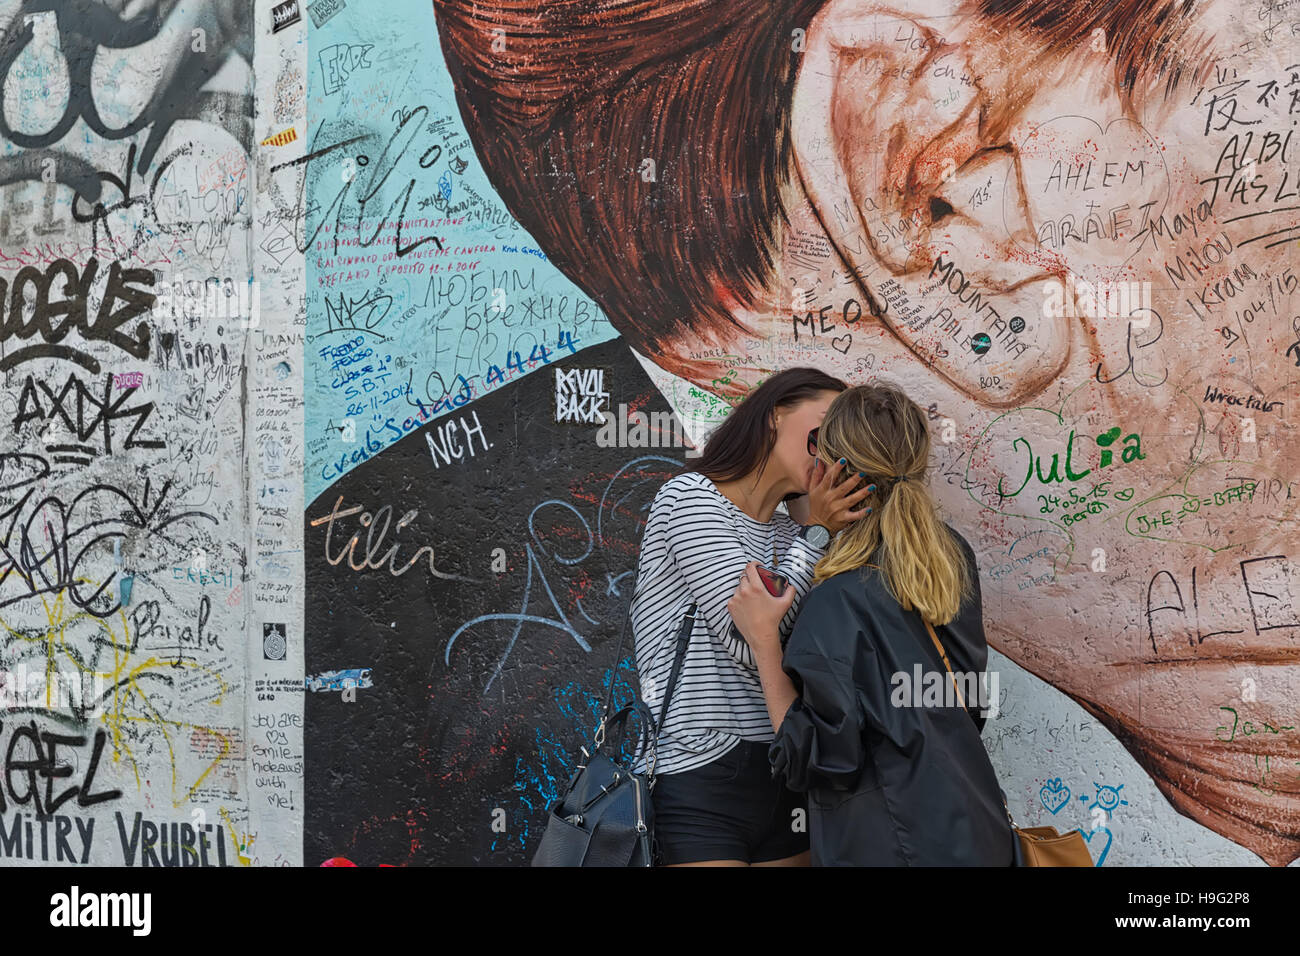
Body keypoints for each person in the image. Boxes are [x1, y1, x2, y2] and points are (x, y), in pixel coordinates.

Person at [432, 0, 1300, 865]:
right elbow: (784, 625)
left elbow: (811, 696)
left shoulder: (847, 574)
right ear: (933, 182)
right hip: (723, 785)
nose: (829, 468)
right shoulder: (748, 523)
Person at [729, 382, 1014, 865]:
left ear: (833, 468)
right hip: (977, 830)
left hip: (888, 845)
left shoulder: (837, 600)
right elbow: (971, 705)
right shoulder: (950, 560)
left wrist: (763, 643)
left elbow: (820, 759)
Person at [627, 366, 873, 866]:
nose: (830, 451)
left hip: (785, 769)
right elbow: (749, 640)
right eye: (825, 429)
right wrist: (820, 533)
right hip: (700, 771)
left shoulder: (790, 538)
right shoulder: (690, 499)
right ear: (774, 414)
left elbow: (802, 654)